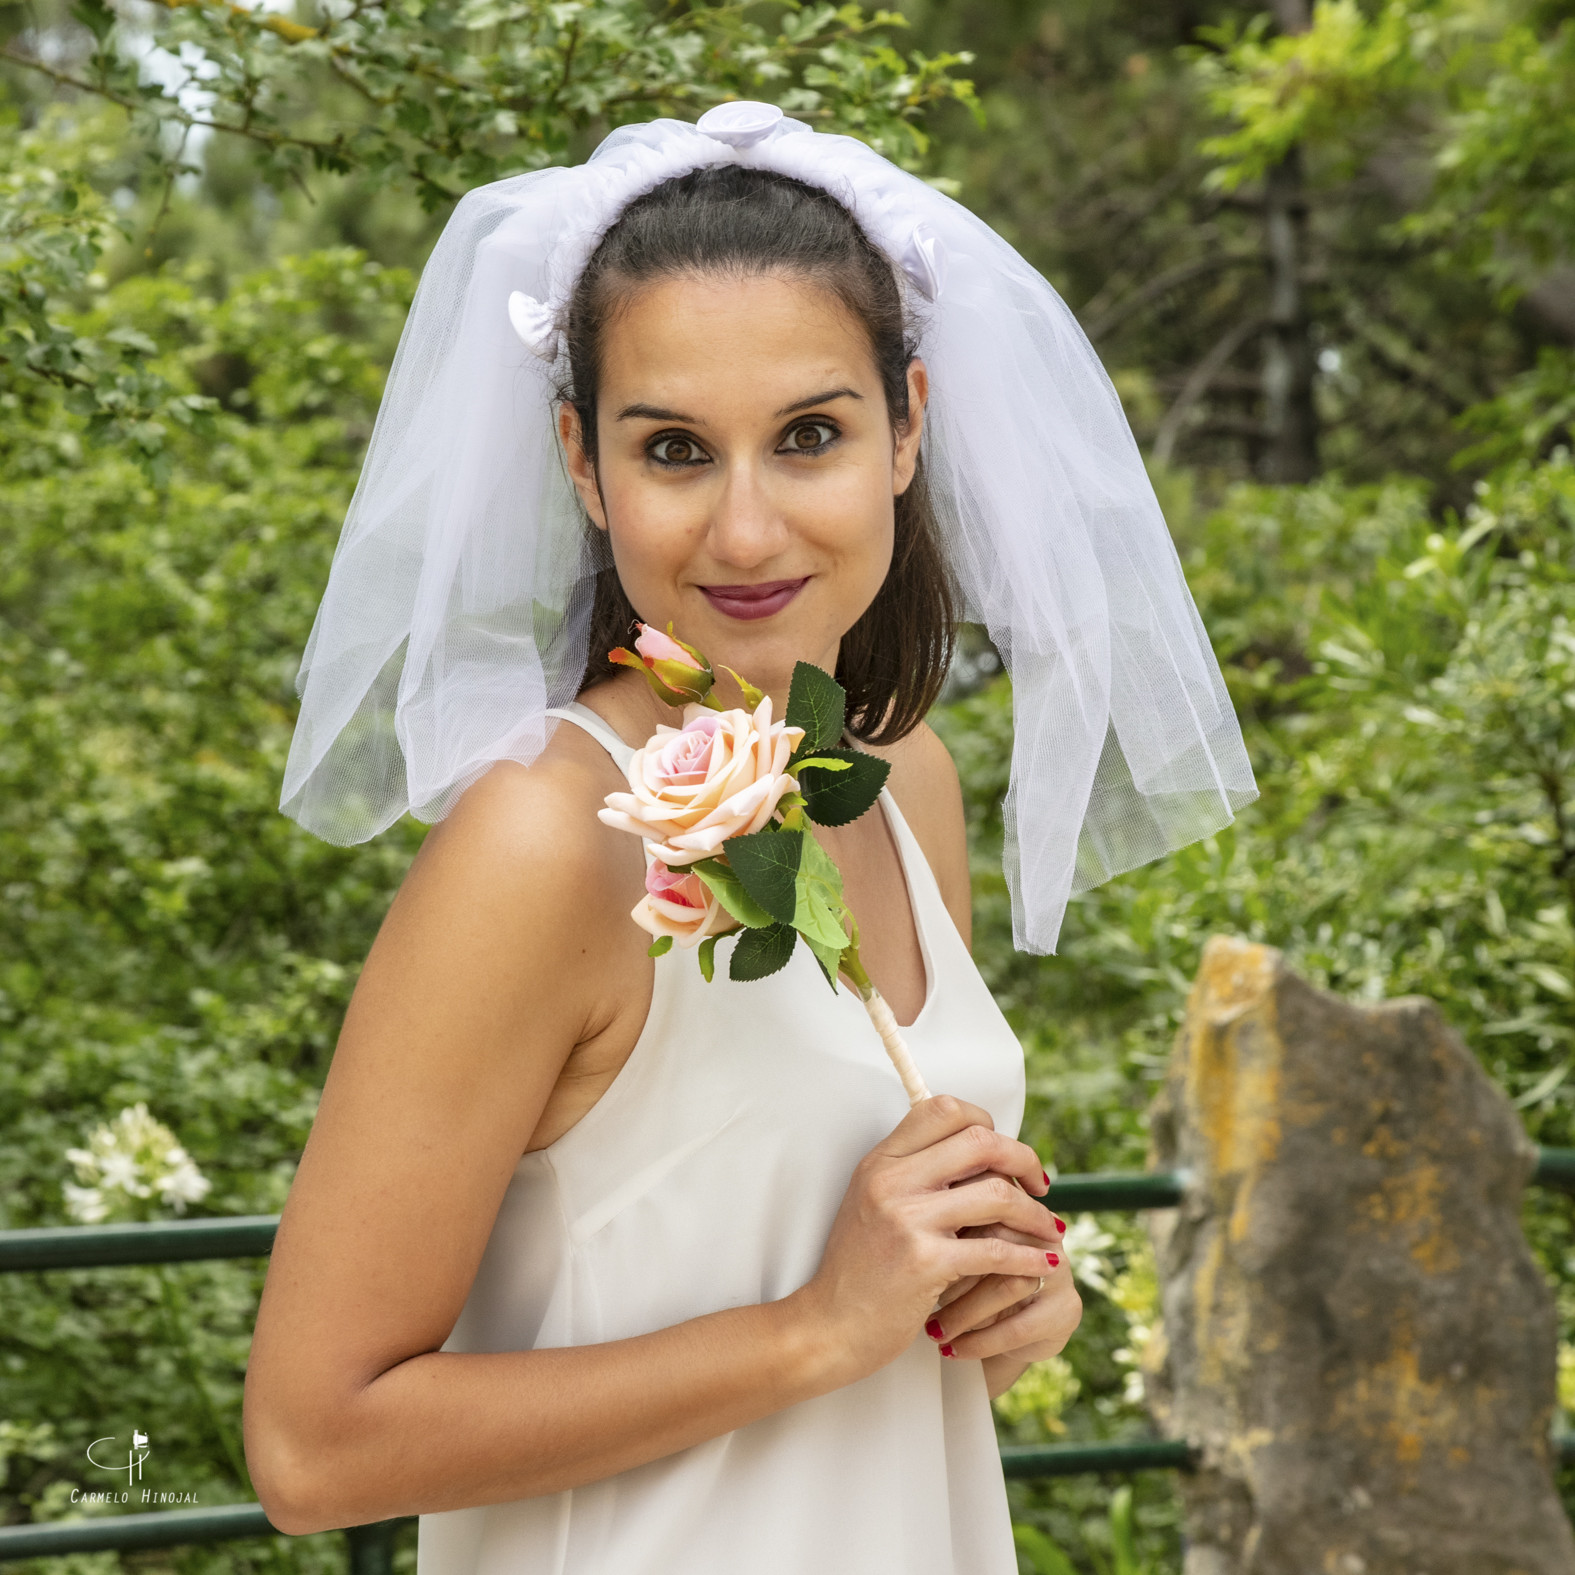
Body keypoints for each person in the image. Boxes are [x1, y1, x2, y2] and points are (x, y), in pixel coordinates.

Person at [242, 103, 1256, 1573]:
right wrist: (812, 1330)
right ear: (584, 466)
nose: (747, 529)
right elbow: (312, 1447)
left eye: (810, 436)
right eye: (674, 449)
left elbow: (858, 1327)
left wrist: (994, 1312)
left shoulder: (908, 787)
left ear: (907, 428)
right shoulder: (545, 839)